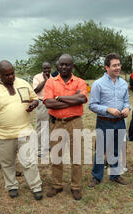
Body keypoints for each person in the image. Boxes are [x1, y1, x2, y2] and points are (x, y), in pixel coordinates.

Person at [0, 60, 42, 200]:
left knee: (29, 161)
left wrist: (33, 103)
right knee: (7, 163)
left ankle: (36, 186)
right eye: (7, 75)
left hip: (25, 131)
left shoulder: (22, 83)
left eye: (12, 73)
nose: (11, 77)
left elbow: (35, 98)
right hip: (3, 135)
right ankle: (12, 186)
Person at [44, 54, 88, 200]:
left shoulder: (80, 82)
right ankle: (57, 185)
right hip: (56, 122)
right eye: (61, 64)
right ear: (57, 66)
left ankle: (75, 187)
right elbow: (48, 103)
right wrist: (72, 100)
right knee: (56, 155)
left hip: (74, 122)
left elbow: (82, 98)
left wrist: (59, 98)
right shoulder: (50, 82)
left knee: (76, 156)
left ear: (72, 66)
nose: (64, 67)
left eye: (67, 64)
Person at [88, 53, 130, 187]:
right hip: (104, 121)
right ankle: (96, 177)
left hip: (120, 121)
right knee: (101, 150)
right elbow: (92, 105)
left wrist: (127, 109)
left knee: (117, 149)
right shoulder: (98, 84)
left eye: (119, 65)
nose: (118, 68)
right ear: (107, 67)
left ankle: (115, 174)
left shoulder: (123, 83)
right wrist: (108, 109)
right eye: (114, 65)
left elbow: (126, 102)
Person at [33, 62, 52, 160]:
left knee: (49, 127)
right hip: (41, 104)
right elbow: (35, 91)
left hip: (52, 104)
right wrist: (45, 81)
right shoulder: (37, 77)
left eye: (48, 68)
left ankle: (47, 146)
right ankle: (39, 150)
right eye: (44, 68)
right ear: (42, 68)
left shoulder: (53, 78)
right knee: (41, 127)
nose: (46, 70)